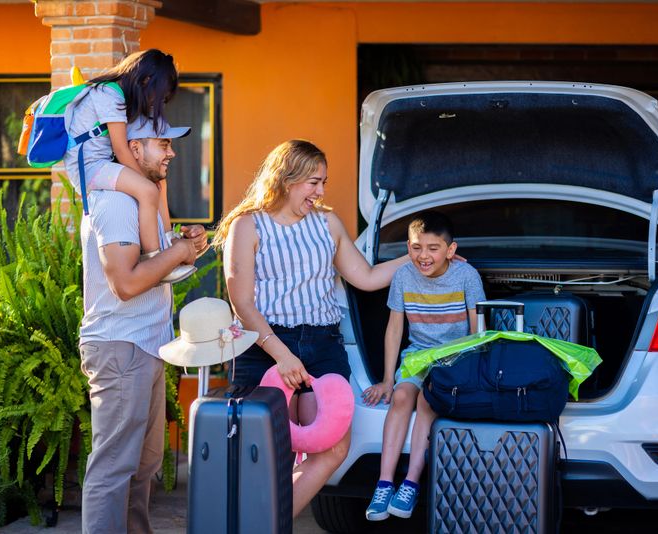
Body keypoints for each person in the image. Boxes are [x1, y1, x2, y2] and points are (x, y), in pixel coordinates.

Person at [211, 139, 410, 518]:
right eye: (313, 183)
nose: (321, 191)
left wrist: (418, 258)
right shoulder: (247, 225)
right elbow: (243, 303)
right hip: (265, 346)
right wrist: (282, 356)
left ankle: (265, 524)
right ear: (286, 179)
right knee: (268, 452)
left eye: (324, 183)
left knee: (333, 446)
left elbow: (366, 277)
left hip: (322, 344)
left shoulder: (327, 223)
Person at [78, 118, 209, 534]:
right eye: (162, 143)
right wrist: (179, 252)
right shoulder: (117, 203)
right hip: (120, 347)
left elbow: (159, 262)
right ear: (134, 148)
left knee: (144, 464)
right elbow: (127, 284)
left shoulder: (144, 199)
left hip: (147, 346)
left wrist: (187, 244)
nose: (171, 152)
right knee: (114, 466)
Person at [362, 210, 484, 521]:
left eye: (433, 248)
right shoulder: (403, 275)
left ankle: (411, 482)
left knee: (427, 400)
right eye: (416, 248)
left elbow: (476, 331)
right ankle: (384, 484)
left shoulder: (467, 276)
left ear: (450, 250)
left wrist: (468, 372)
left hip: (453, 357)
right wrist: (387, 380)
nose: (423, 256)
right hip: (417, 355)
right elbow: (394, 329)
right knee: (402, 397)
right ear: (408, 247)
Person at [65, 48, 194, 283]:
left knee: (158, 185)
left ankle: (168, 243)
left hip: (101, 164)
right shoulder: (109, 94)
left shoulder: (116, 96)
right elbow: (121, 148)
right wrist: (145, 182)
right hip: (91, 167)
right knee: (148, 190)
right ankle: (155, 259)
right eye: (158, 94)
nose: (156, 102)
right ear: (146, 80)